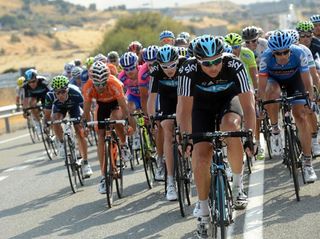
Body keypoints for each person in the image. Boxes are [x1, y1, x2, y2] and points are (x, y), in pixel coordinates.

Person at [177, 35, 255, 238]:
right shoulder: (188, 69)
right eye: (207, 63)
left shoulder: (234, 64)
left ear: (223, 56)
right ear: (197, 60)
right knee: (202, 155)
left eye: (217, 61)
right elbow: (184, 110)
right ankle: (203, 211)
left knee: (231, 129)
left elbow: (248, 105)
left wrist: (250, 136)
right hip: (200, 107)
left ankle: (238, 186)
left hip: (227, 102)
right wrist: (184, 138)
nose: (213, 67)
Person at [258, 30, 317, 183]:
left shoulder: (299, 53)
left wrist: (309, 98)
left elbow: (307, 80)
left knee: (301, 116)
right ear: (272, 53)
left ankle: (307, 162)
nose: (283, 56)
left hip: (295, 81)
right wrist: (261, 104)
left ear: (290, 49)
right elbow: (262, 86)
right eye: (278, 53)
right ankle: (275, 129)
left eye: (286, 52)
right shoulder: (265, 58)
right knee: (272, 93)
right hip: (274, 81)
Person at [83, 61, 133, 194]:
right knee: (100, 135)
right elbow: (86, 110)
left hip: (116, 103)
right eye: (97, 84)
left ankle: (123, 145)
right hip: (102, 106)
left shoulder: (114, 83)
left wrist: (127, 120)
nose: (100, 87)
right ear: (92, 80)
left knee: (115, 120)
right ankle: (104, 175)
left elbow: (124, 107)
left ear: (107, 79)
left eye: (103, 83)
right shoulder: (88, 86)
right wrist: (86, 125)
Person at [148, 44, 187, 201]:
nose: (169, 69)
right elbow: (151, 98)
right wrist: (152, 118)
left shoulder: (185, 66)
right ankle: (170, 180)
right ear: (159, 65)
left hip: (184, 98)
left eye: (172, 65)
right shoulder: (156, 71)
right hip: (167, 101)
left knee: (186, 126)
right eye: (165, 66)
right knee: (167, 128)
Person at [50, 75, 93, 178]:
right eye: (58, 93)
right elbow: (48, 114)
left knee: (79, 130)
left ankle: (86, 163)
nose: (60, 95)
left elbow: (87, 111)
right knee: (55, 121)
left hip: (75, 108)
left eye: (63, 91)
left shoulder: (76, 93)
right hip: (60, 109)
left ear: (67, 89)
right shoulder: (51, 97)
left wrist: (87, 126)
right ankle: (61, 143)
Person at [22, 69, 51, 134]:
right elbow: (25, 99)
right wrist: (24, 110)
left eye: (33, 81)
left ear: (36, 79)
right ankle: (38, 123)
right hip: (34, 96)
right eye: (29, 82)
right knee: (31, 104)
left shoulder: (43, 82)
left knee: (46, 110)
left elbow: (51, 95)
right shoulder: (26, 86)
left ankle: (47, 124)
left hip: (45, 95)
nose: (31, 84)